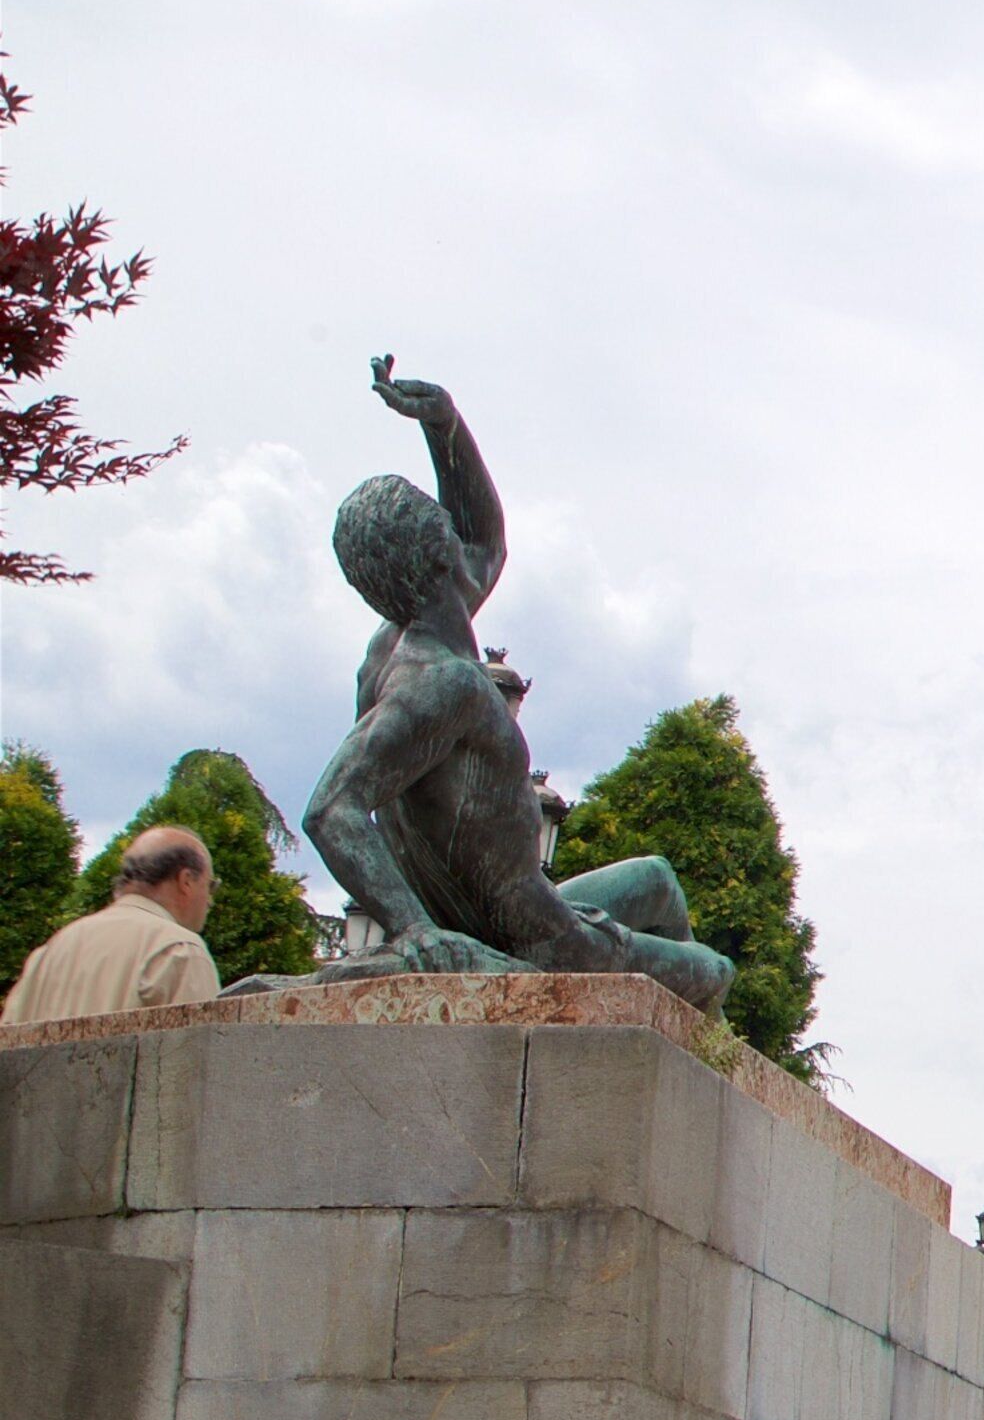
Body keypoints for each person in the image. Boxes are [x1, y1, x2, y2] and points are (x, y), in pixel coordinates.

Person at [287, 357, 734, 1012]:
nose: (453, 526)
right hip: (546, 942)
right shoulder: (445, 684)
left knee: (659, 881)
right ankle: (695, 1041)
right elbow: (332, 810)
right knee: (713, 970)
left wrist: (444, 427)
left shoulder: (397, 644)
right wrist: (414, 931)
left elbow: (484, 538)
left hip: (528, 906)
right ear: (436, 547)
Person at [3, 826, 220, 1023]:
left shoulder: (52, 951)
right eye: (211, 886)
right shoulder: (180, 952)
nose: (210, 900)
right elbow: (203, 1057)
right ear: (186, 881)